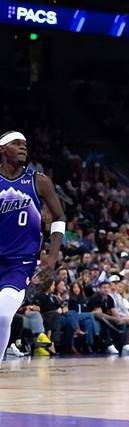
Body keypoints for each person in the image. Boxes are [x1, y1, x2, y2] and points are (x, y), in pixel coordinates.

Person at [0, 131, 65, 361]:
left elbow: (59, 217)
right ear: (2, 149)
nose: (23, 147)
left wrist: (53, 255)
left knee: (3, 315)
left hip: (20, 263)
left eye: (25, 145)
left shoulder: (39, 181)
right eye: (16, 143)